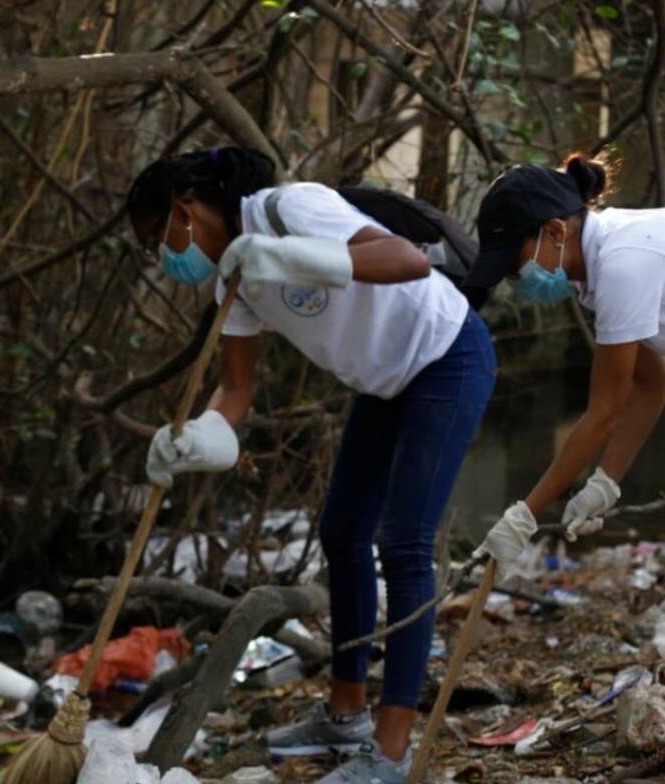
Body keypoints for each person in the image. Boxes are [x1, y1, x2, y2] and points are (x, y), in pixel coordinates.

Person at [127, 147, 496, 784]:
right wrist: (190, 440)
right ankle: (347, 716)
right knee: (342, 533)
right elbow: (234, 390)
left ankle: (390, 752)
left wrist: (289, 257)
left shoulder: (289, 209)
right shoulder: (233, 279)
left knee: (404, 543)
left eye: (155, 237)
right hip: (384, 383)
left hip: (446, 355)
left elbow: (406, 261)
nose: (162, 256)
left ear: (184, 211)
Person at [468, 155, 665, 578]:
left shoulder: (622, 264)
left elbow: (604, 412)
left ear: (556, 232)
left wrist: (523, 517)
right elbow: (653, 383)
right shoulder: (597, 273)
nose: (515, 281)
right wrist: (605, 481)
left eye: (515, 265)